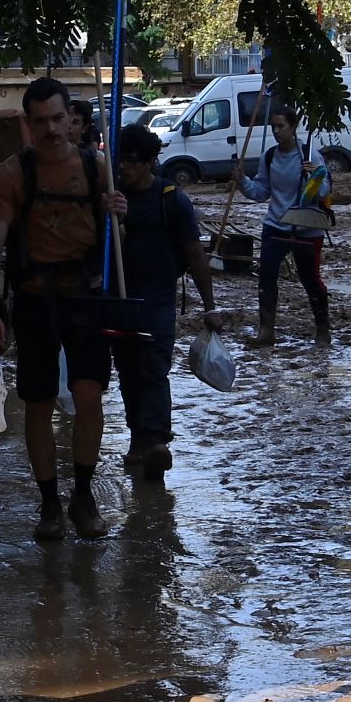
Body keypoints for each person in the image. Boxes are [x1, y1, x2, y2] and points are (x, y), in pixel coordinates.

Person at [0, 76, 130, 542]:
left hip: (85, 297)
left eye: (58, 119)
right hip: (33, 298)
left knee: (89, 397)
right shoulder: (11, 175)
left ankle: (82, 495)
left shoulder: (97, 167)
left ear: (72, 119)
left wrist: (117, 216)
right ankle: (48, 504)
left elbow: (117, 246)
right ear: (28, 124)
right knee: (38, 403)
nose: (51, 130)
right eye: (40, 121)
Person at [112, 124, 223, 482]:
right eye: (120, 160)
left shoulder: (171, 200)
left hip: (158, 300)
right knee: (128, 372)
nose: (124, 168)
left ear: (149, 163)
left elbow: (195, 255)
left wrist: (210, 307)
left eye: (131, 161)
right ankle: (137, 438)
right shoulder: (112, 198)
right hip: (120, 300)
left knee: (154, 369)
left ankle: (157, 440)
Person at [241, 102, 333, 343]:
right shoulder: (269, 156)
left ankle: (323, 328)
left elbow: (324, 193)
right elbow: (261, 191)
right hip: (276, 224)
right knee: (266, 276)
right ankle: (266, 331)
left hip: (307, 226)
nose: (276, 131)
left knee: (310, 278)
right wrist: (241, 181)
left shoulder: (311, 155)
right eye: (273, 126)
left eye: (281, 126)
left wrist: (315, 176)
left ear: (293, 127)